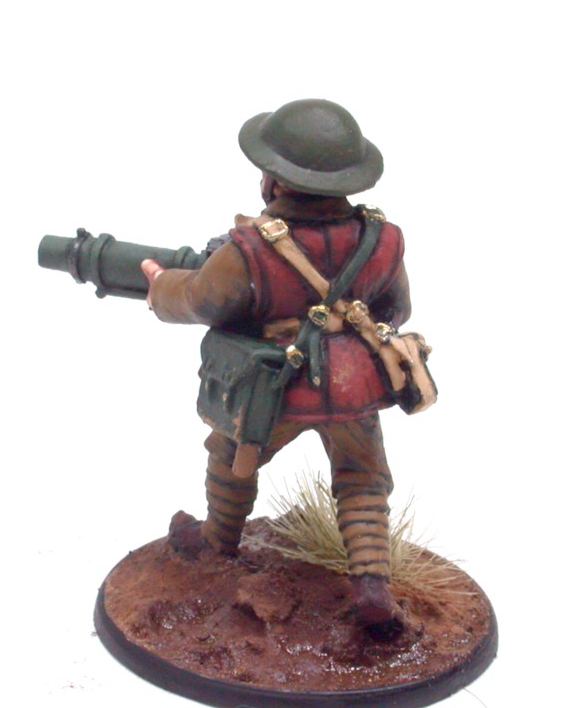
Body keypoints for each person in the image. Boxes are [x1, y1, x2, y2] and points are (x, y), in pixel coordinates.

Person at [142, 98, 429, 626]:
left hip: (276, 387)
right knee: (363, 478)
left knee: (231, 456)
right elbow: (398, 309)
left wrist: (160, 286)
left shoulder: (249, 248)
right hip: (355, 387)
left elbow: (202, 301)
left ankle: (217, 540)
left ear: (274, 182)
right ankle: (370, 582)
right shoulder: (383, 238)